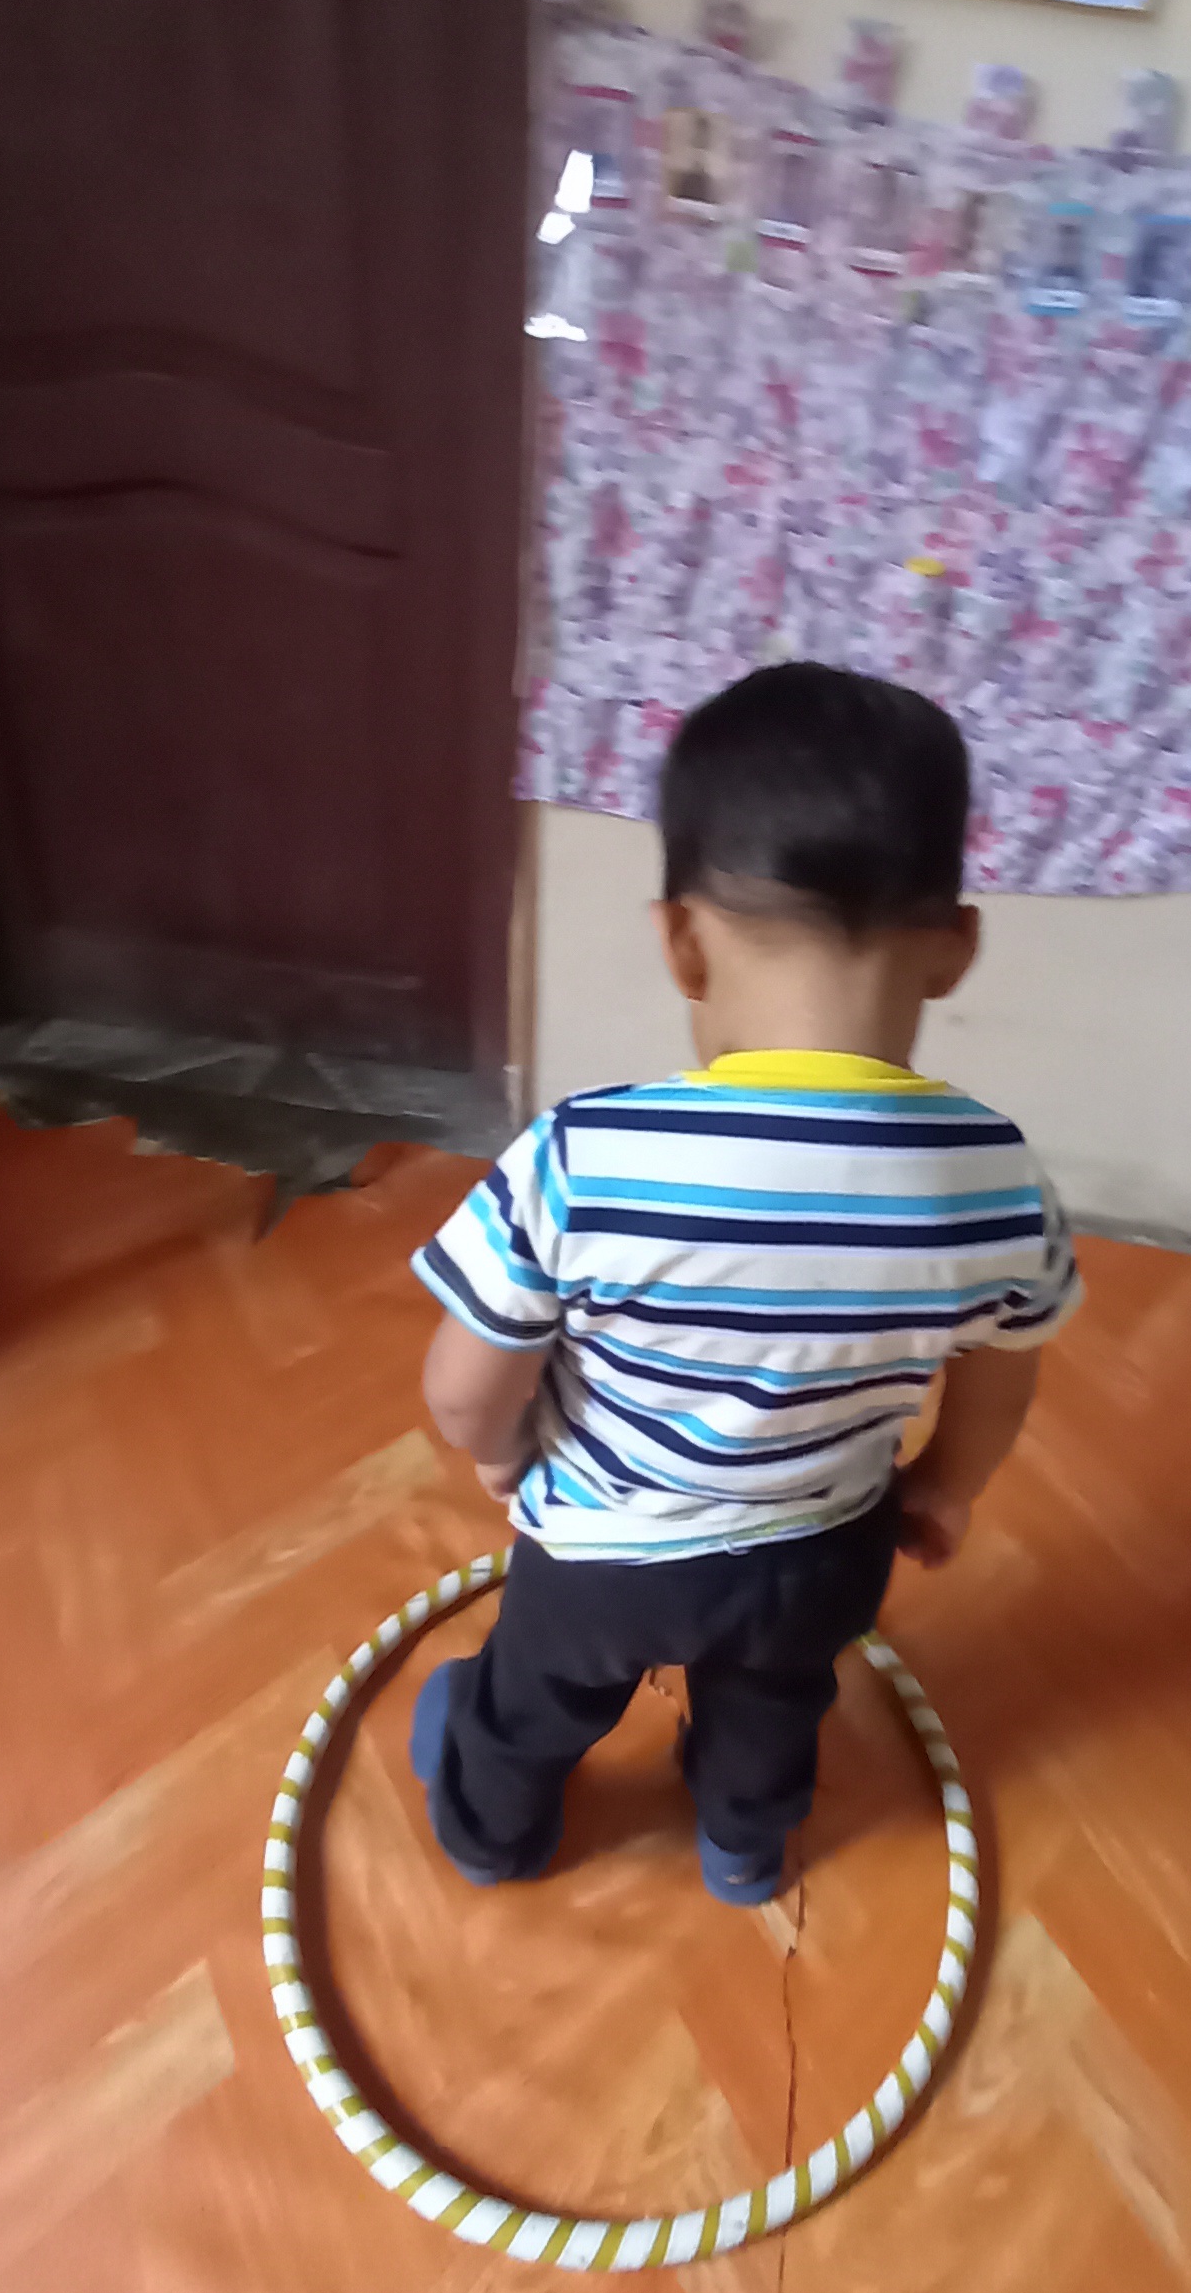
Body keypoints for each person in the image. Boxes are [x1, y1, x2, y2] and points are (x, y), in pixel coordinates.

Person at [408, 662, 1080, 1905]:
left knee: (531, 1697)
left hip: (605, 1552)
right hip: (824, 1551)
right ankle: (744, 1844)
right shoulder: (998, 1176)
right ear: (955, 949)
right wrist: (945, 1486)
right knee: (775, 1701)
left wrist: (501, 1453)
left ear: (680, 940)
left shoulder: (585, 1155)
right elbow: (1005, 1373)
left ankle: (493, 1833)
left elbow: (462, 1388)